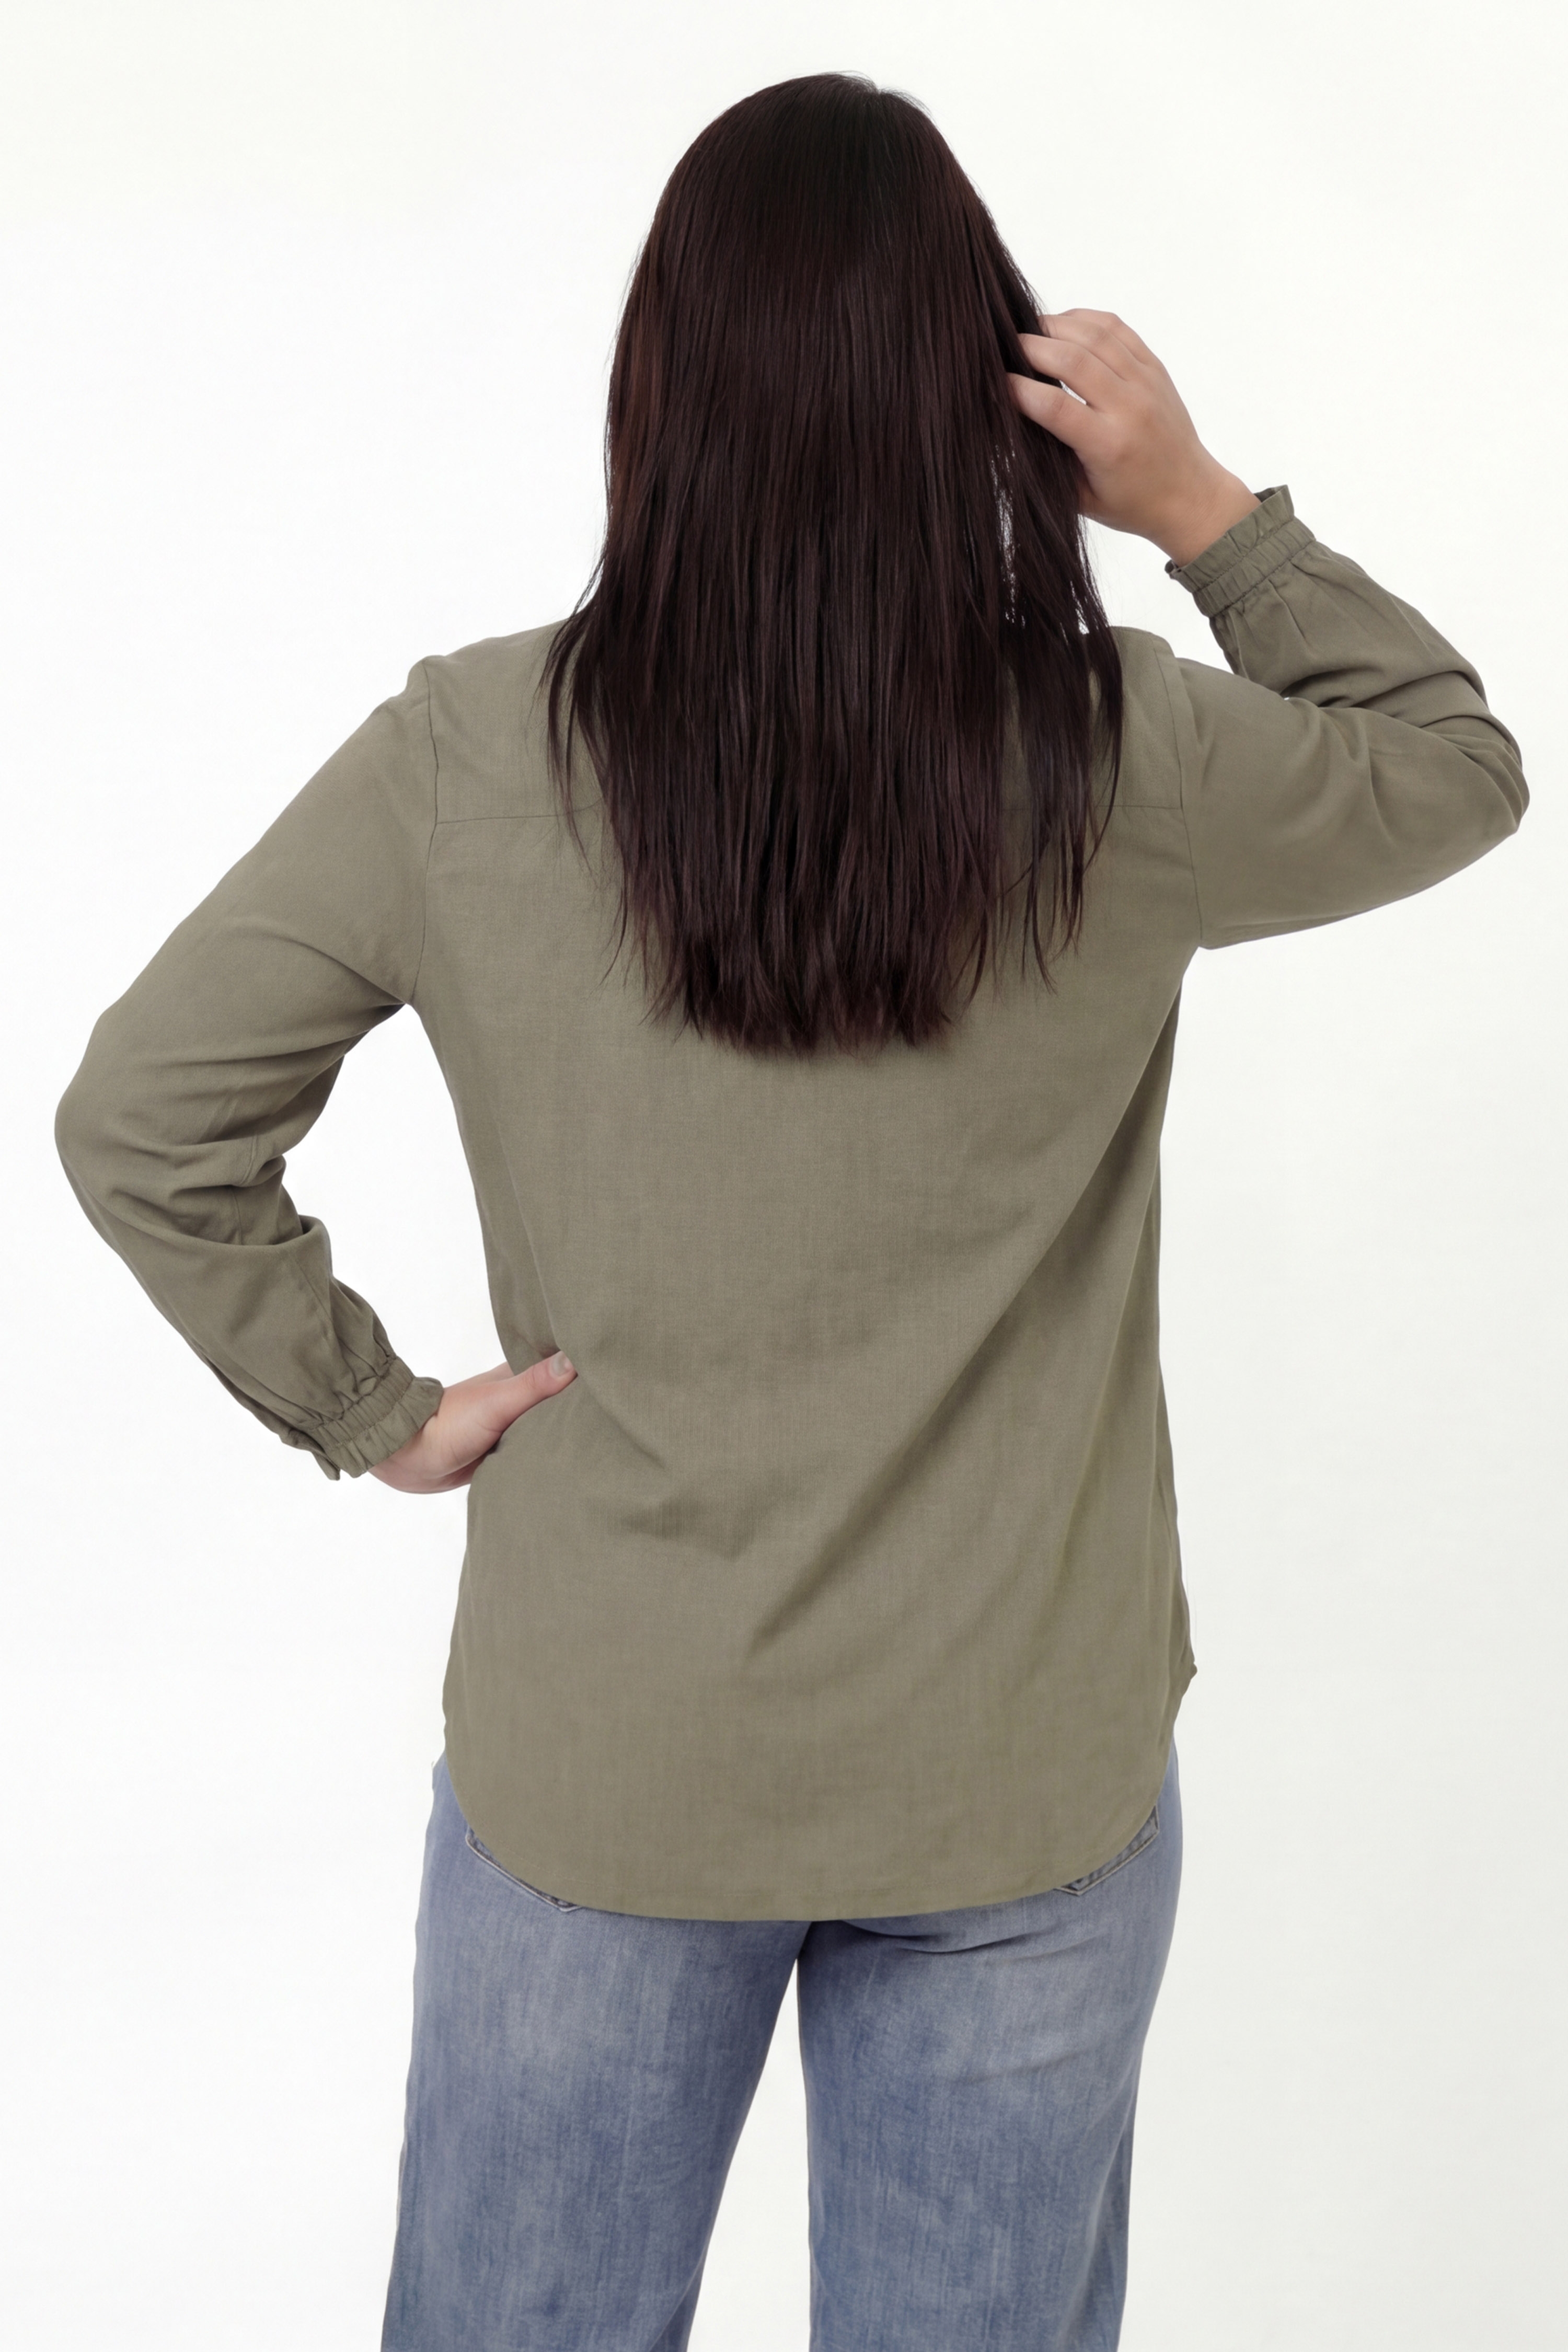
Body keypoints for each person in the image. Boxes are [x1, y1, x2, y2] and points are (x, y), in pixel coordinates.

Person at [53, 70, 1526, 2352]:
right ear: (988, 396)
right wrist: (1202, 507)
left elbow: (145, 1117)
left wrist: (375, 1411)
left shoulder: (466, 756)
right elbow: (1452, 766)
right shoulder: (1128, 754)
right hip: (1016, 1770)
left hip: (612, 1761)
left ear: (658, 390)